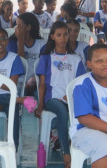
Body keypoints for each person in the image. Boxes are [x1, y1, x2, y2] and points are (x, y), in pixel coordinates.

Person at [35, 21, 85, 168]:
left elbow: (80, 84)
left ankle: (83, 147)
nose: (63, 38)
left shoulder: (76, 59)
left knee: (86, 112)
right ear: (52, 37)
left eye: (65, 34)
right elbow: (42, 84)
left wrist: (70, 95)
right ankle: (66, 153)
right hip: (53, 99)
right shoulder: (46, 57)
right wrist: (41, 104)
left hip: (71, 98)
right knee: (62, 111)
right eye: (59, 35)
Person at [7, 12, 46, 96]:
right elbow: (21, 65)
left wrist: (35, 80)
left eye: (19, 25)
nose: (16, 28)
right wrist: (20, 41)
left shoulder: (41, 44)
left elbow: (44, 67)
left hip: (36, 81)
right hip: (19, 81)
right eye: (16, 25)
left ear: (28, 27)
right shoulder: (12, 43)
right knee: (17, 95)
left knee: (39, 95)